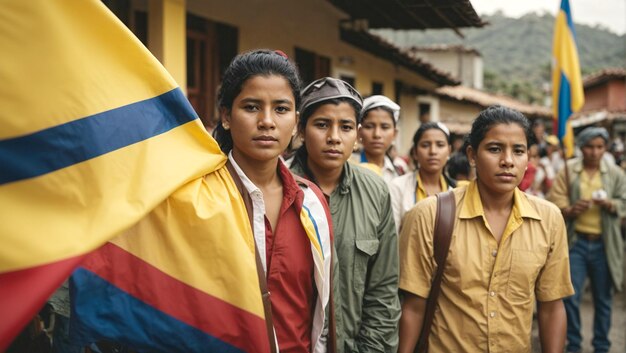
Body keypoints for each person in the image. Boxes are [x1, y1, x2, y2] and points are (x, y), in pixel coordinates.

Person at [399, 105, 574, 353]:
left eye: (519, 151)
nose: (507, 161)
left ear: (528, 158)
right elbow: (413, 306)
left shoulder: (548, 219)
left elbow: (551, 307)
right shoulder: (430, 215)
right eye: (494, 149)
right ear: (472, 155)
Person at [213, 49, 334, 353]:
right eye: (251, 107)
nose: (267, 121)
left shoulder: (312, 203)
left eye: (281, 109)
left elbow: (316, 310)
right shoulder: (200, 199)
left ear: (295, 121)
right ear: (226, 116)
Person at [290, 77, 400, 352]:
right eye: (322, 124)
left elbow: (383, 291)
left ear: (358, 134)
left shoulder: (376, 192)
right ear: (301, 130)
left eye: (346, 127)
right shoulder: (279, 188)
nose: (334, 137)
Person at [548, 126, 626, 353]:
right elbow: (556, 199)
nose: (594, 152)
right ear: (581, 148)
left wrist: (610, 204)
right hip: (575, 243)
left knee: (603, 298)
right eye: (590, 147)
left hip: (604, 244)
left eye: (600, 147)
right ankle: (574, 344)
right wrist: (571, 209)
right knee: (570, 297)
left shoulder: (615, 174)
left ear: (605, 149)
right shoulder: (569, 170)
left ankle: (601, 346)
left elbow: (624, 202)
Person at [388, 122, 454, 231]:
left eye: (440, 145)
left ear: (449, 152)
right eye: (425, 145)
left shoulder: (454, 193)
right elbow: (391, 235)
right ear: (415, 152)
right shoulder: (398, 187)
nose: (433, 151)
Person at [355, 95, 405, 183]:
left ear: (394, 133)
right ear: (359, 132)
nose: (377, 134)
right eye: (369, 126)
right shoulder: (349, 167)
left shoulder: (400, 170)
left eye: (384, 127)